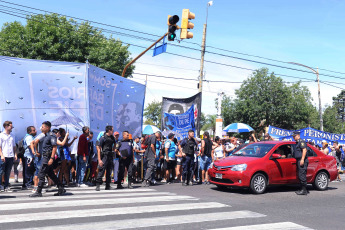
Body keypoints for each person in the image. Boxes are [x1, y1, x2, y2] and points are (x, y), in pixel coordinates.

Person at [30, 121, 65, 197]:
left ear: (47, 127)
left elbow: (54, 147)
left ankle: (38, 191)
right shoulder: (45, 135)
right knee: (51, 174)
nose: (41, 128)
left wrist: (51, 158)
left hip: (47, 157)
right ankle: (61, 187)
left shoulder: (51, 135)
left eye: (43, 127)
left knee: (41, 173)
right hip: (45, 156)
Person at [95, 125, 116, 191]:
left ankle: (107, 185)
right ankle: (98, 185)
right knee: (101, 170)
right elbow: (98, 148)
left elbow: (115, 144)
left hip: (110, 155)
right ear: (109, 130)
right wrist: (99, 159)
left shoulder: (112, 137)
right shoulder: (103, 138)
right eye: (112, 130)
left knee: (109, 171)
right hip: (104, 155)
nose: (113, 131)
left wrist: (113, 150)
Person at [0, 121, 17, 192]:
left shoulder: (12, 136)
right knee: (1, 171)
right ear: (6, 126)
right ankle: (0, 185)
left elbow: (14, 146)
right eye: (11, 126)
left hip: (10, 156)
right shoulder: (1, 135)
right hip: (4, 155)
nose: (12, 128)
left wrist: (15, 154)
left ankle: (6, 186)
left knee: (8, 172)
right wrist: (1, 155)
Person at [292, 131, 308, 195]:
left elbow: (304, 150)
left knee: (302, 175)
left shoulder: (301, 142)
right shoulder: (297, 143)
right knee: (300, 175)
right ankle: (302, 189)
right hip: (299, 160)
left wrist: (302, 159)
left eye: (294, 136)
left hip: (302, 160)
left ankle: (304, 190)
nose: (293, 137)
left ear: (298, 135)